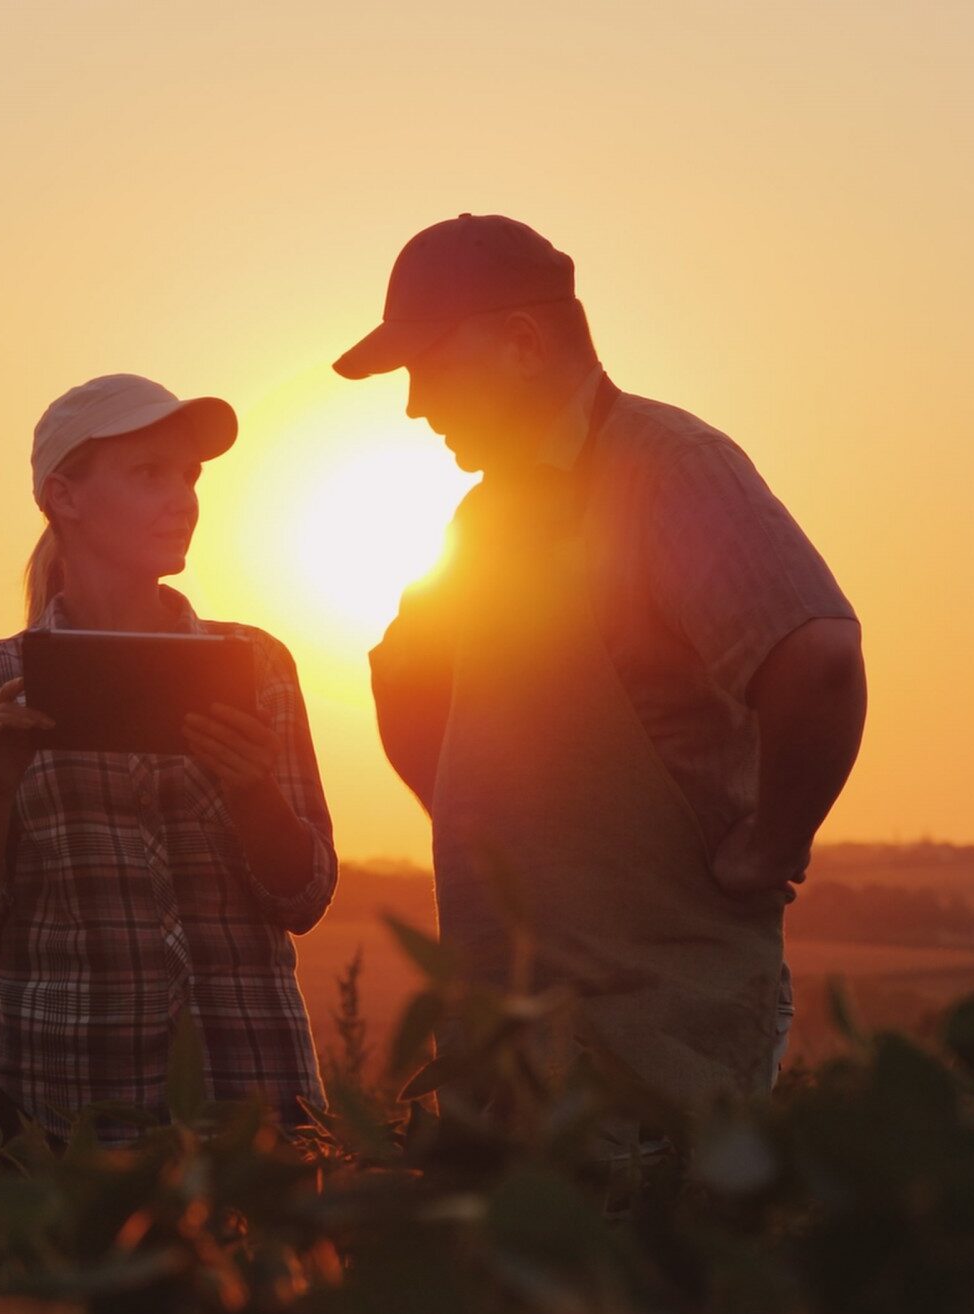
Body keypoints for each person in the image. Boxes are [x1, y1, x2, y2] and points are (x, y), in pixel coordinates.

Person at [335, 214, 867, 1107]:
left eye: (429, 366)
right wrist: (481, 827)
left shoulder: (672, 470)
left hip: (662, 1028)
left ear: (522, 342)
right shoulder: (485, 517)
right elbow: (403, 680)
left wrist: (772, 845)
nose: (415, 405)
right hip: (505, 1034)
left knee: (665, 1201)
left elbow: (818, 661)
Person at [0, 374, 340, 1145]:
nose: (183, 500)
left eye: (190, 476)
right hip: (55, 1106)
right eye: (150, 473)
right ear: (64, 497)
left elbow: (303, 895)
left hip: (249, 1098)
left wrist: (252, 791)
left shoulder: (257, 666)